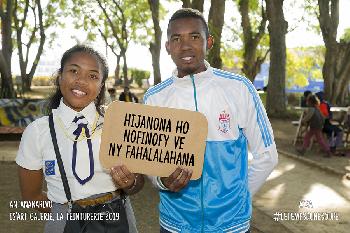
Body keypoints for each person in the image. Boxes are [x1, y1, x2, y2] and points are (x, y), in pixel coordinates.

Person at [143, 8, 278, 233]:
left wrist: (238, 199)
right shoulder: (154, 97)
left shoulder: (239, 88)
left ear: (210, 42)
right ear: (167, 47)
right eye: (176, 39)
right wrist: (162, 181)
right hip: (175, 224)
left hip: (230, 225)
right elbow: (149, 161)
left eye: (195, 37)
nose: (185, 46)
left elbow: (267, 156)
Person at [16, 45, 144, 233]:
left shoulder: (118, 123)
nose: (81, 81)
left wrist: (131, 183)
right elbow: (31, 196)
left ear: (101, 85)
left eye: (93, 76)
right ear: (60, 76)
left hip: (119, 221)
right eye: (74, 71)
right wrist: (68, 214)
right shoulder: (37, 131)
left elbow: (138, 183)